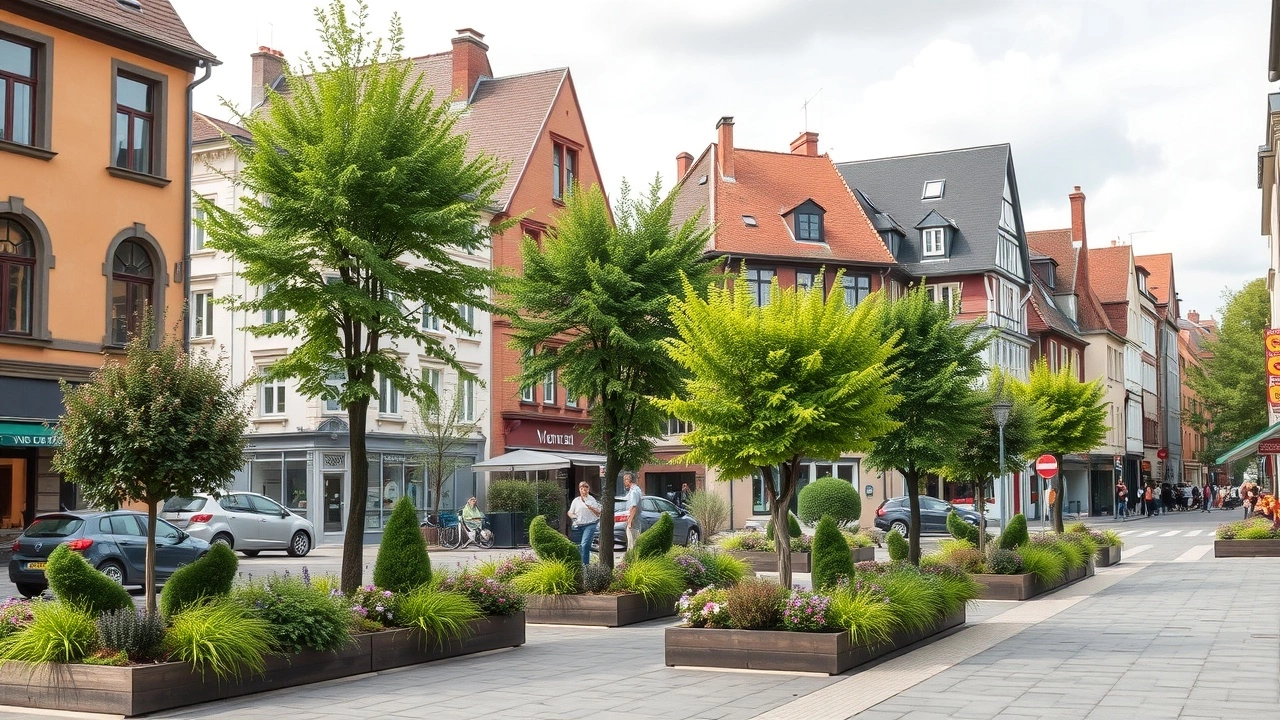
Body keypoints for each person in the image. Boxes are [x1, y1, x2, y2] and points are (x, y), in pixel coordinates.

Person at [567, 481, 602, 566]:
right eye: (581, 489)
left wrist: (591, 507)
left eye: (585, 489)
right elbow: (570, 512)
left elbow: (598, 513)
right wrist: (573, 516)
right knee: (579, 546)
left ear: (588, 489)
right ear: (579, 490)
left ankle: (585, 565)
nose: (583, 491)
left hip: (590, 524)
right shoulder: (576, 500)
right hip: (578, 525)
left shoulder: (592, 499)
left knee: (585, 544)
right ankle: (580, 565)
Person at [623, 472, 643, 550]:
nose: (624, 482)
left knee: (632, 543)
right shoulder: (636, 489)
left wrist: (630, 522)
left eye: (625, 480)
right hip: (635, 519)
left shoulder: (634, 491)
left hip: (634, 520)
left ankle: (632, 556)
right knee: (634, 541)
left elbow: (634, 507)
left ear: (629, 480)